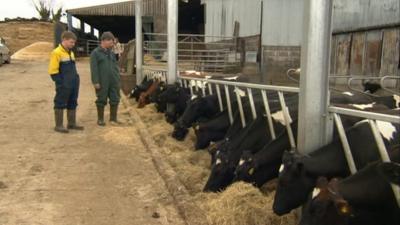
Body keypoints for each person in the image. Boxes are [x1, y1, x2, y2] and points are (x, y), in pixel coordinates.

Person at [48, 31, 84, 133]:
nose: (73, 44)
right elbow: (52, 71)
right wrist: (60, 83)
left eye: (74, 43)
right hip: (64, 84)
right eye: (71, 42)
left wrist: (76, 79)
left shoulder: (71, 53)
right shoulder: (56, 53)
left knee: (73, 102)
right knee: (60, 102)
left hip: (73, 83)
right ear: (64, 40)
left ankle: (71, 123)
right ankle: (58, 125)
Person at [90, 32, 121, 126]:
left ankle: (113, 119)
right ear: (104, 40)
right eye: (111, 42)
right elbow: (94, 68)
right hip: (102, 81)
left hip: (113, 80)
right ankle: (100, 119)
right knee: (101, 98)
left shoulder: (111, 53)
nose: (113, 44)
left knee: (115, 98)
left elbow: (115, 66)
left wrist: (117, 77)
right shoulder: (95, 53)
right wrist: (95, 81)